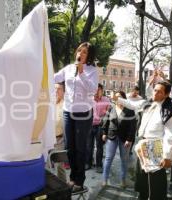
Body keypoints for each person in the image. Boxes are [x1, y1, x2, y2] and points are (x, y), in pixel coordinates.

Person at [111, 81, 172, 200]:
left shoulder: (170, 110)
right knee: (142, 178)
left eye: (159, 92)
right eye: (155, 90)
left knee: (155, 181)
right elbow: (133, 105)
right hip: (143, 146)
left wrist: (167, 156)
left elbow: (170, 135)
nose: (155, 93)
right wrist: (117, 99)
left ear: (166, 94)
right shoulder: (148, 103)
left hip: (157, 147)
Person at [54, 42, 98, 192]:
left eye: (85, 52)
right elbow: (54, 78)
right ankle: (72, 178)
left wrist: (82, 73)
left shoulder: (92, 70)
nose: (81, 54)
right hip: (68, 111)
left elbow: (92, 89)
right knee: (69, 147)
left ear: (89, 55)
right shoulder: (68, 68)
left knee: (80, 147)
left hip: (83, 113)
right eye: (79, 50)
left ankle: (79, 181)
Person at [101, 91, 136, 187]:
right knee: (108, 158)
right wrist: (104, 132)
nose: (117, 99)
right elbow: (106, 120)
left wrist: (130, 139)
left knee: (124, 159)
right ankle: (104, 179)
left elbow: (133, 126)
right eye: (116, 97)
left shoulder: (130, 110)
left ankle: (123, 180)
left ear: (124, 99)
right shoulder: (111, 108)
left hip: (125, 138)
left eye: (119, 97)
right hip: (111, 136)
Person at [85, 83, 110, 173]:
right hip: (89, 126)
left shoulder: (106, 100)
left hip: (100, 126)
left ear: (102, 91)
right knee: (88, 145)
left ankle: (99, 165)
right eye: (95, 90)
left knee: (99, 146)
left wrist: (105, 128)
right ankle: (88, 163)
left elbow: (108, 114)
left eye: (98, 90)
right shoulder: (88, 100)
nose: (96, 92)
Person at [127, 86, 143, 155]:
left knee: (132, 135)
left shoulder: (140, 98)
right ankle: (125, 147)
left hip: (135, 118)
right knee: (126, 133)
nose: (135, 95)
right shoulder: (126, 97)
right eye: (134, 93)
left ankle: (130, 149)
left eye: (137, 94)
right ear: (131, 91)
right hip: (126, 118)